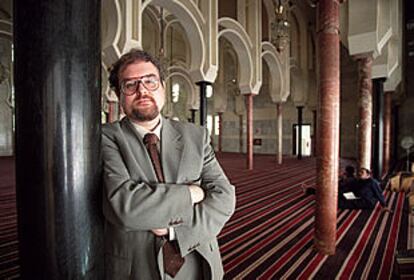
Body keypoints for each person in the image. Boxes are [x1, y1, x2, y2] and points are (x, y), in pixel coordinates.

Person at [102, 49, 236, 280]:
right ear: (118, 94)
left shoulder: (196, 136)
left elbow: (224, 197)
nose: (142, 90)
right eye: (130, 84)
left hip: (198, 260)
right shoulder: (105, 138)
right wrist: (192, 193)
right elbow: (125, 207)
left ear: (163, 87)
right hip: (136, 268)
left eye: (150, 81)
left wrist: (175, 230)